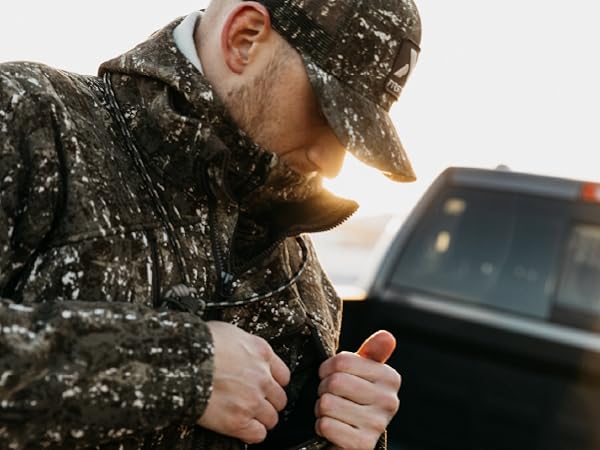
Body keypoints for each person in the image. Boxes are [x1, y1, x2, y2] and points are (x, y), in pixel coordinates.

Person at [0, 0, 422, 448]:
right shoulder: (31, 119)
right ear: (243, 37)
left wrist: (345, 432)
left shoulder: (302, 273)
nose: (332, 163)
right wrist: (180, 367)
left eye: (350, 135)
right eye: (325, 111)